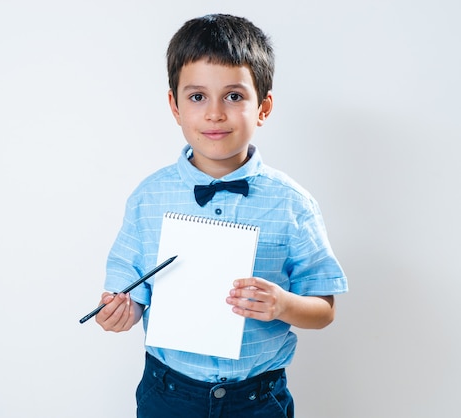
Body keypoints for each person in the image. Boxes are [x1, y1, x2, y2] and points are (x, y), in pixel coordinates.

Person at [94, 13, 348, 418]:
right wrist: (121, 311)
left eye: (233, 96)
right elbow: (131, 291)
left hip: (258, 399)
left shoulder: (292, 204)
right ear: (174, 106)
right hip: (168, 394)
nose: (214, 113)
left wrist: (283, 305)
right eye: (197, 97)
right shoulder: (148, 198)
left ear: (263, 107)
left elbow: (325, 308)